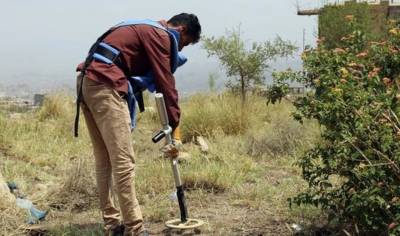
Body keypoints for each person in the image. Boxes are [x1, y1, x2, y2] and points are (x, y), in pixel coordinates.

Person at [75, 13, 201, 236]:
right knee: (123, 161)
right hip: (105, 84)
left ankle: (112, 226)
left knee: (104, 161)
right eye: (184, 43)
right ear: (181, 30)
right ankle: (135, 228)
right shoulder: (161, 36)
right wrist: (173, 122)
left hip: (87, 81)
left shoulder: (143, 27)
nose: (179, 50)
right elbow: (165, 81)